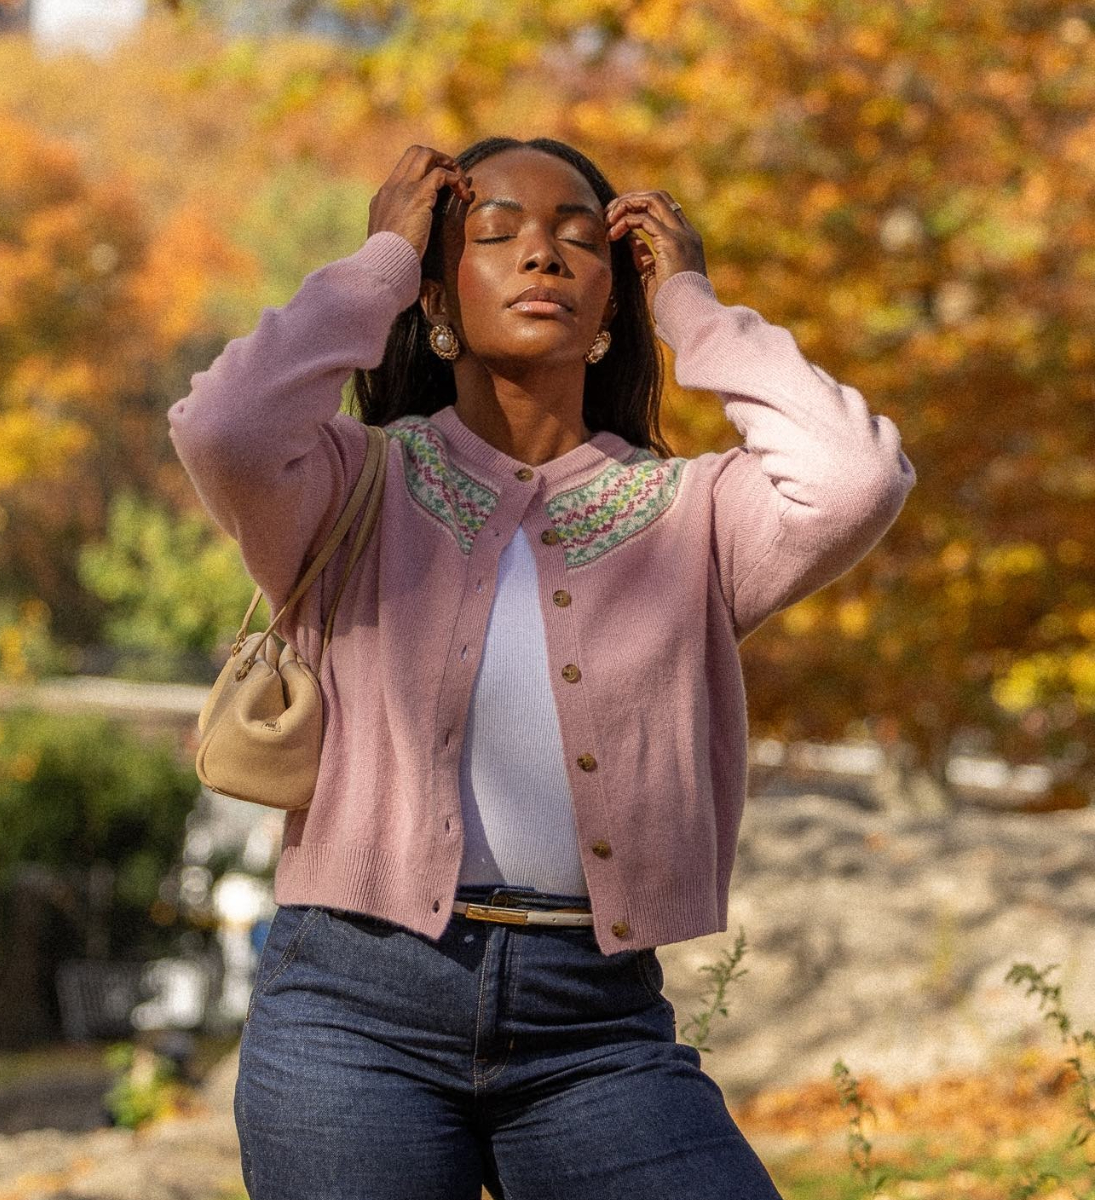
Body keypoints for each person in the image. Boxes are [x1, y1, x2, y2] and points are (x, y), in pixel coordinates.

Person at [167, 136, 916, 1199]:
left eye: (578, 239)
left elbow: (855, 477)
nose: (544, 257)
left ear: (613, 310)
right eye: (495, 234)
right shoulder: (348, 482)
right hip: (351, 1009)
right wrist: (384, 256)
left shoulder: (692, 515)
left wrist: (693, 307)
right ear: (438, 296)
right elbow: (225, 425)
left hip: (597, 1027)